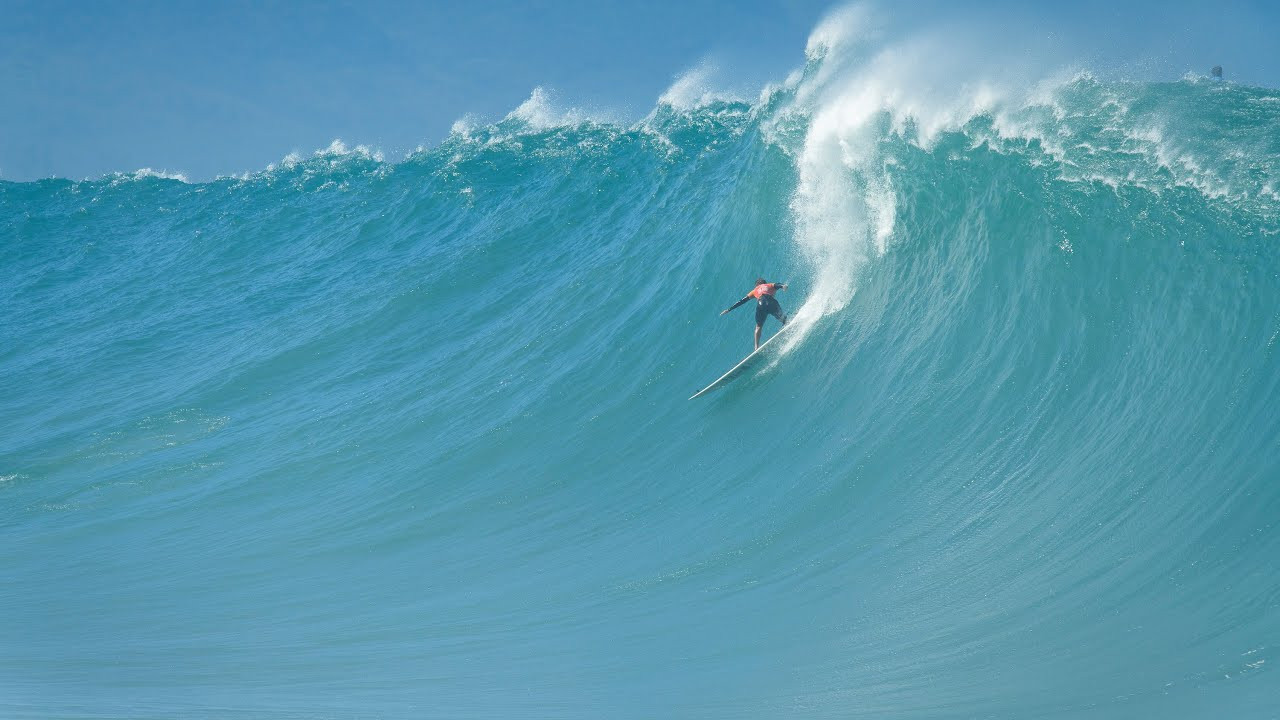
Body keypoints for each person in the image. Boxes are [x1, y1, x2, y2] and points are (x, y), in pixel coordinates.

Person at [720, 277, 788, 349]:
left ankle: (756, 347)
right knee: (783, 319)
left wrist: (729, 309)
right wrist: (783, 286)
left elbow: (742, 301)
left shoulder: (754, 290)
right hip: (771, 302)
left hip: (761, 304)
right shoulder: (769, 285)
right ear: (764, 283)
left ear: (756, 285)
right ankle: (786, 325)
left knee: (758, 327)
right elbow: (778, 285)